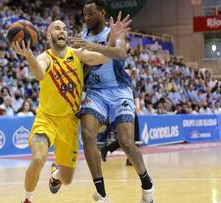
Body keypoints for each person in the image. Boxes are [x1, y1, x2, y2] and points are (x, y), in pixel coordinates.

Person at [13, 19, 124, 203]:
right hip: (46, 119)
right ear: (49, 35)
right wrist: (29, 55)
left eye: (65, 28)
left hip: (70, 123)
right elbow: (39, 73)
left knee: (67, 179)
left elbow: (104, 58)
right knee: (39, 158)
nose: (62, 31)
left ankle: (55, 173)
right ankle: (28, 198)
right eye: (57, 28)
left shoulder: (78, 54)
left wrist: (112, 37)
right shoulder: (45, 57)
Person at [69, 1, 154, 202]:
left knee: (126, 143)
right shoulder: (82, 36)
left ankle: (146, 182)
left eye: (90, 14)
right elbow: (84, 69)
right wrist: (86, 58)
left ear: (102, 12)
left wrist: (92, 48)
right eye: (84, 14)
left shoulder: (114, 31)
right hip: (95, 92)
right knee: (88, 134)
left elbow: (120, 53)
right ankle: (102, 194)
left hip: (119, 91)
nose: (86, 18)